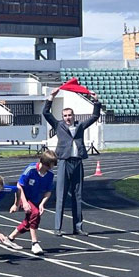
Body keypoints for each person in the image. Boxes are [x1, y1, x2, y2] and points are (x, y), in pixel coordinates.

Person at [43, 88, 102, 236]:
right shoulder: (59, 126)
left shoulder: (80, 126)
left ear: (73, 115)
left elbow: (95, 116)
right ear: (62, 117)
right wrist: (51, 97)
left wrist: (96, 100)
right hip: (64, 162)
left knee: (78, 195)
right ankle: (58, 227)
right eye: (65, 116)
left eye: (70, 115)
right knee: (61, 195)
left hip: (77, 162)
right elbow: (46, 113)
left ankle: (78, 227)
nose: (68, 118)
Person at [7, 150, 57, 255]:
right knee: (35, 214)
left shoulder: (50, 175)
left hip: (36, 199)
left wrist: (42, 203)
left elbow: (48, 192)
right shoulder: (31, 169)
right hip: (23, 196)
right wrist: (23, 203)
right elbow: (19, 185)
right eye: (49, 166)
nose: (50, 168)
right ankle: (34, 243)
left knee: (30, 220)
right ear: (43, 163)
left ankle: (10, 238)